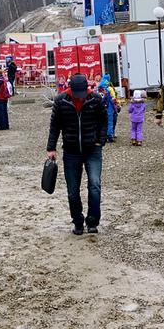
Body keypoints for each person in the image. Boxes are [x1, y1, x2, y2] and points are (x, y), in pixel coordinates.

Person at [46, 74, 108, 235]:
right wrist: (51, 148)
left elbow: (104, 120)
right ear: (70, 89)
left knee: (95, 185)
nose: (80, 97)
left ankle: (93, 221)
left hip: (92, 150)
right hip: (71, 151)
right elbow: (54, 126)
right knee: (73, 190)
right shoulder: (61, 101)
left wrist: (100, 140)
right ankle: (78, 222)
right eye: (77, 93)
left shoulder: (95, 99)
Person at [98, 75, 118, 143]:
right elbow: (112, 100)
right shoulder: (108, 90)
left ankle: (103, 136)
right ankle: (109, 136)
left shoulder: (98, 91)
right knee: (109, 122)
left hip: (101, 108)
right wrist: (115, 109)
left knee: (102, 122)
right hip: (108, 108)